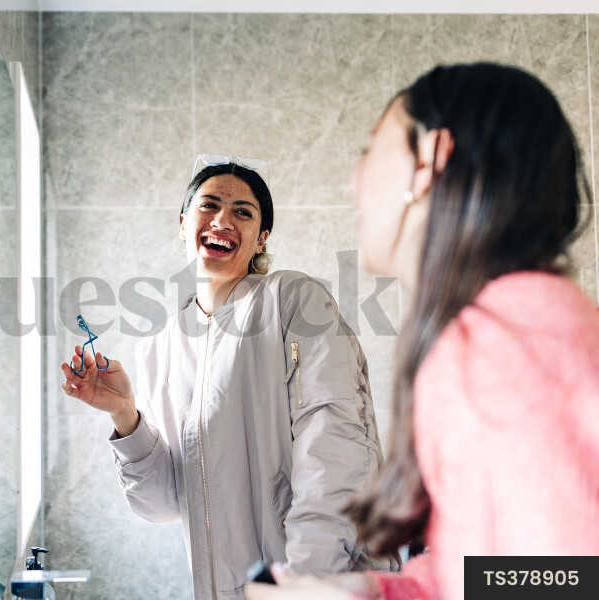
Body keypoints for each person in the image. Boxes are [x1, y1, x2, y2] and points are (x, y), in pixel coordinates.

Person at [245, 62, 599, 600]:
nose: (353, 182)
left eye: (370, 151)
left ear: (428, 160)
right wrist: (372, 591)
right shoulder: (522, 325)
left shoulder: (502, 349)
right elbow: (521, 570)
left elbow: (566, 583)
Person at [60, 158, 391, 600]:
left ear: (261, 239)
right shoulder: (159, 347)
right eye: (209, 205)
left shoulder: (293, 300)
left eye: (243, 212)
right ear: (183, 225)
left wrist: (307, 582)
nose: (222, 220)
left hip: (324, 584)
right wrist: (125, 415)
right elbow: (161, 505)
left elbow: (336, 450)